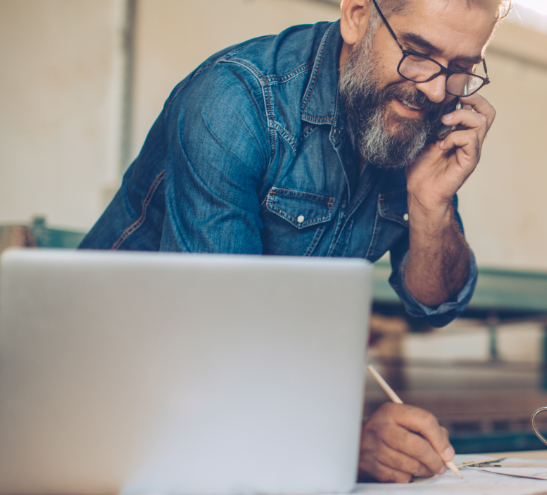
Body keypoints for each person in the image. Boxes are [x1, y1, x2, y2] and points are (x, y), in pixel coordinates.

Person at [79, 0, 509, 483]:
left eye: (459, 69)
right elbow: (211, 342)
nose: (434, 89)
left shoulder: (422, 114)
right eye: (416, 50)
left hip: (226, 408)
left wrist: (432, 206)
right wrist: (344, 440)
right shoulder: (236, 101)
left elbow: (436, 303)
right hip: (99, 395)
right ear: (356, 16)